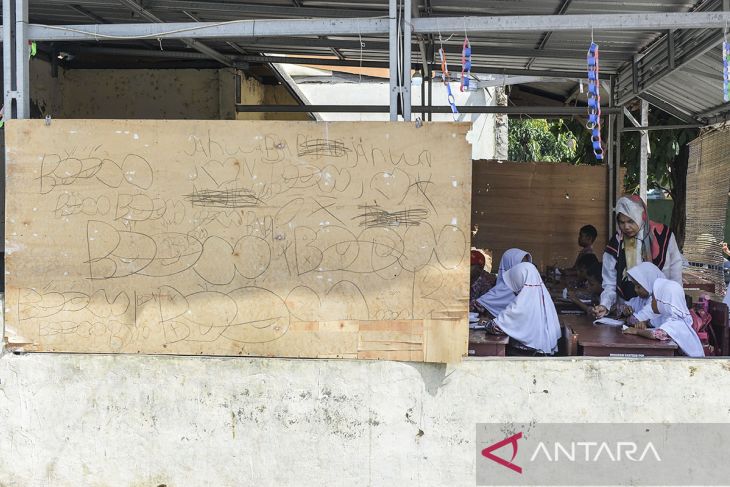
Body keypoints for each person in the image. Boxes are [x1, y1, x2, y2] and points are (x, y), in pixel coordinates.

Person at [593, 195, 683, 318]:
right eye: (622, 222)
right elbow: (610, 283)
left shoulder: (663, 236)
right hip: (626, 309)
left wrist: (675, 304)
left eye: (631, 221)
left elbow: (675, 274)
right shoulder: (616, 243)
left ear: (642, 216)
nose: (626, 227)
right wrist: (604, 305)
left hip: (660, 309)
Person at [483, 262, 561, 355]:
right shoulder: (545, 298)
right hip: (543, 353)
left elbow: (495, 327)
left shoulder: (520, 304)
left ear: (519, 281)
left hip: (523, 354)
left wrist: (486, 323)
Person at [624, 279, 704, 357]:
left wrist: (636, 331)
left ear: (663, 302)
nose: (651, 302)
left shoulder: (677, 322)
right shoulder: (667, 316)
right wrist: (644, 323)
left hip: (693, 364)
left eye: (654, 299)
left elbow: (656, 334)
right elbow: (651, 322)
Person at [475, 248, 532, 318]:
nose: (523, 269)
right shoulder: (493, 296)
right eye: (520, 264)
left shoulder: (532, 289)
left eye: (525, 264)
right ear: (509, 265)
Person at [621, 262, 665, 329]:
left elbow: (634, 320)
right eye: (635, 286)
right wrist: (625, 309)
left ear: (649, 284)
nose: (635, 289)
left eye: (638, 287)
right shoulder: (639, 299)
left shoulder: (656, 301)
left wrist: (626, 317)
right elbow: (621, 306)